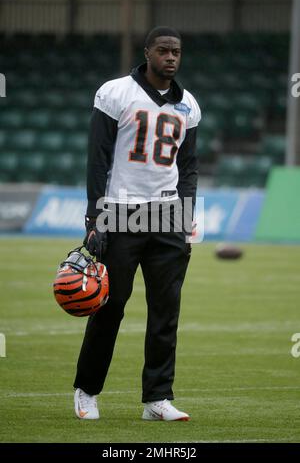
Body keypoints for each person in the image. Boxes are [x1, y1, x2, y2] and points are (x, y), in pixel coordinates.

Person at [73, 26, 201, 421]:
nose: (171, 57)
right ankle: (87, 391)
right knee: (108, 306)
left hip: (166, 215)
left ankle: (156, 399)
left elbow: (188, 167)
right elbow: (98, 158)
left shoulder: (190, 105)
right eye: (163, 50)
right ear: (147, 53)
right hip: (120, 210)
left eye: (176, 51)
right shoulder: (115, 93)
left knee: (166, 311)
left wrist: (186, 217)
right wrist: (95, 216)